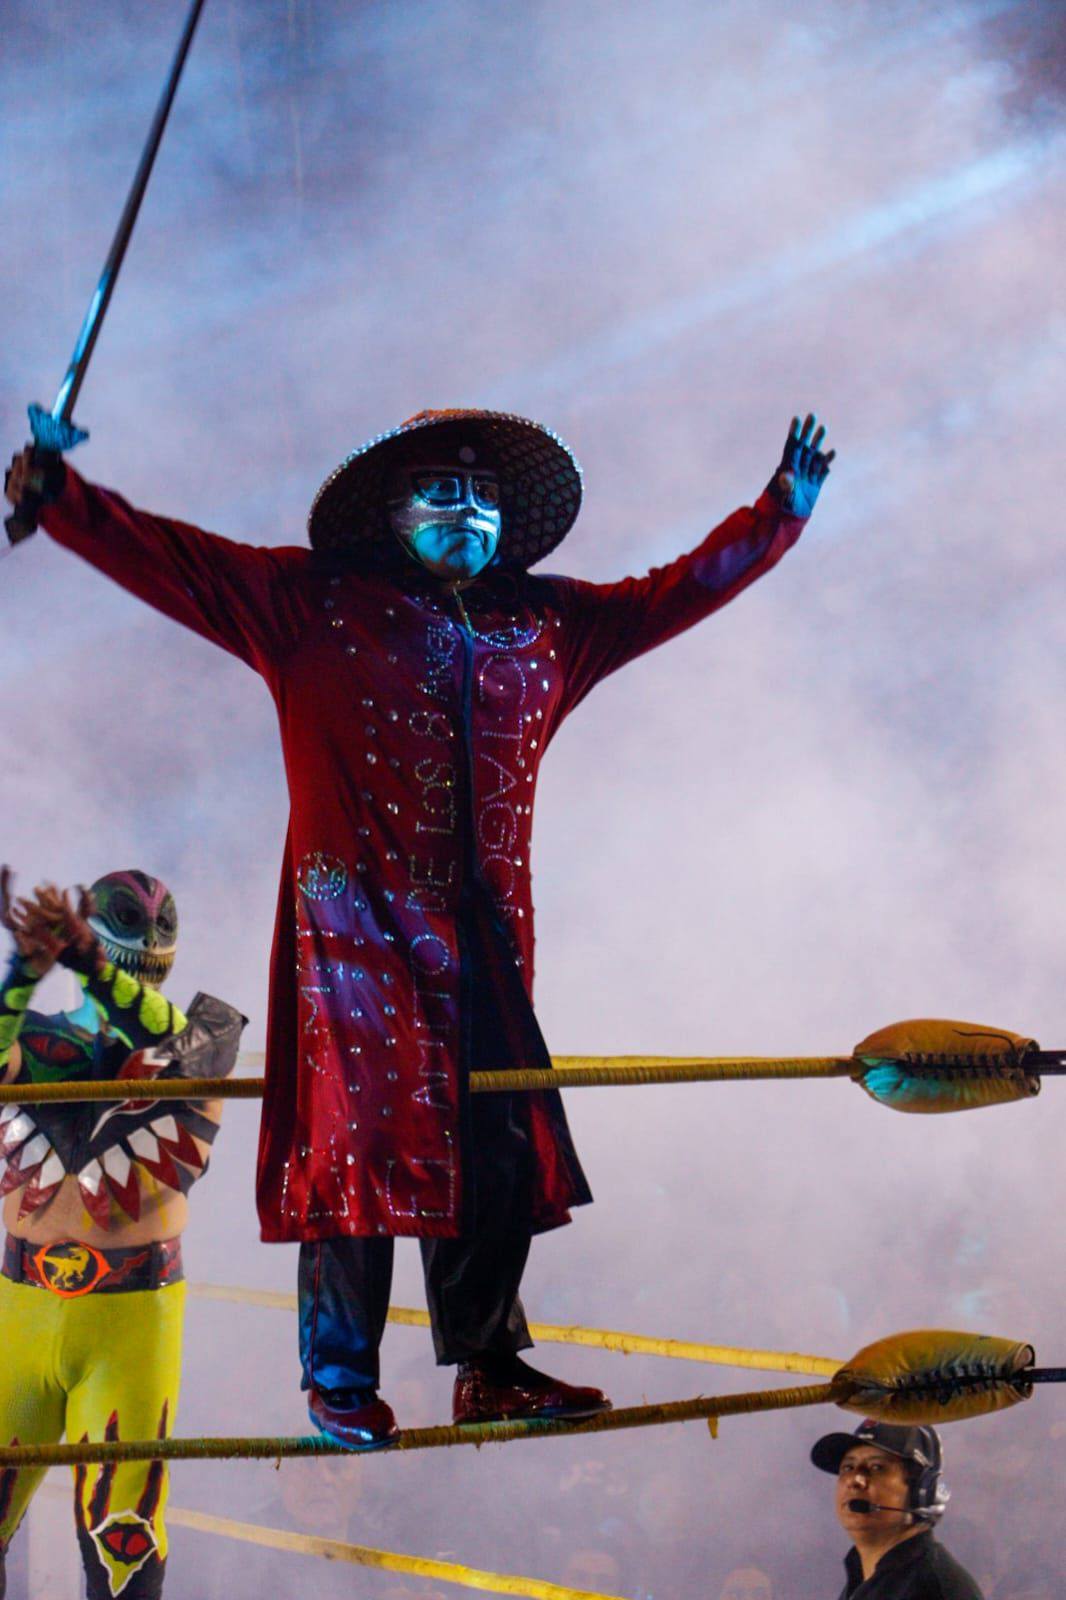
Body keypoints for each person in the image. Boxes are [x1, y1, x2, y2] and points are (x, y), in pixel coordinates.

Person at [5, 406, 832, 1449]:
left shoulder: (547, 625)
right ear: (390, 512)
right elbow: (179, 563)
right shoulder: (310, 603)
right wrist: (64, 498)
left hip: (486, 943)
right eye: (443, 490)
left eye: (486, 497)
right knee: (352, 1144)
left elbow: (675, 592)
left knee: (495, 1144)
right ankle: (338, 1377)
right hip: (353, 937)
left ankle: (489, 1366)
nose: (469, 512)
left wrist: (777, 514)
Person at [0, 870, 243, 1600]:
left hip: (131, 1319)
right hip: (20, 1303)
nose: (148, 938)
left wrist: (89, 967)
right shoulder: (32, 1043)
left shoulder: (205, 1040)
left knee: (122, 1539)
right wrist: (22, 971)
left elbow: (176, 1046)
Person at [810, 1418, 985, 1598]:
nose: (855, 1480)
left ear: (921, 1490)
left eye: (877, 1467)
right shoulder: (863, 1580)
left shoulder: (933, 1588)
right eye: (848, 1467)